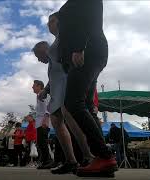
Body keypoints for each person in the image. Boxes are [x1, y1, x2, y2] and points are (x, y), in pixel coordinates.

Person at [56, 0, 117, 176]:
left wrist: (79, 46)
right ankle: (103, 159)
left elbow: (91, 15)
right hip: (87, 51)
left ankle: (104, 156)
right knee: (87, 105)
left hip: (87, 50)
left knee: (73, 102)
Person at [32, 12, 95, 174]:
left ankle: (88, 156)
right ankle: (71, 160)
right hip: (57, 95)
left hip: (67, 90)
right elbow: (54, 76)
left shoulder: (60, 43)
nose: (39, 60)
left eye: (38, 56)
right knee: (57, 121)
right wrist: (46, 90)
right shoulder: (53, 55)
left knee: (70, 120)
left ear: (43, 50)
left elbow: (71, 65)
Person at [31, 80, 52, 169]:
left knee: (43, 142)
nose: (32, 87)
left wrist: (46, 119)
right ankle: (45, 160)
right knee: (40, 142)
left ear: (39, 86)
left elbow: (48, 106)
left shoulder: (44, 94)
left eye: (34, 86)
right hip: (40, 122)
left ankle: (48, 161)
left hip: (43, 122)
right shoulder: (38, 96)